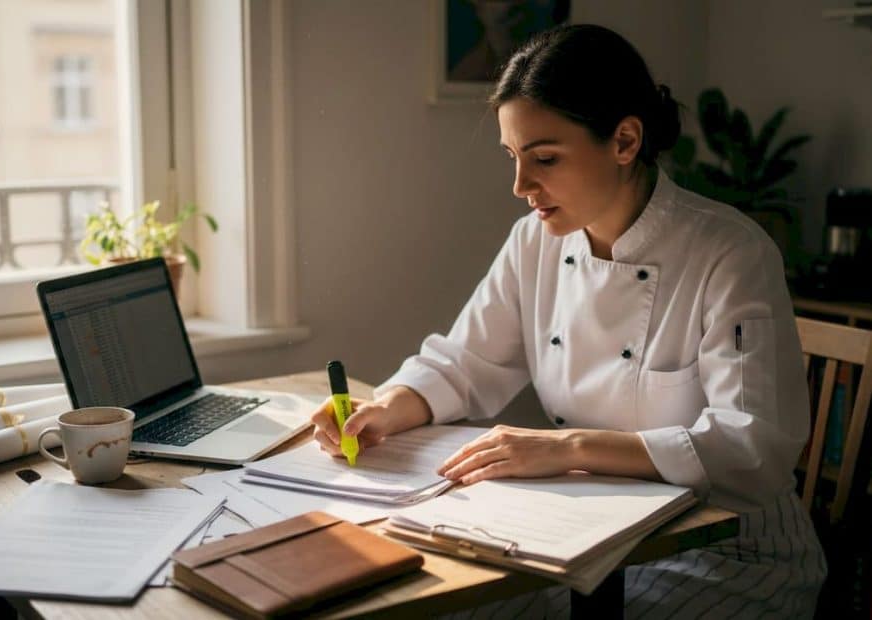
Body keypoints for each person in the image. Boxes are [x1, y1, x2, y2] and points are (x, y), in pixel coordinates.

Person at [311, 23, 826, 618]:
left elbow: (751, 446)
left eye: (545, 159)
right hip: (587, 537)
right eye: (512, 158)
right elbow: (465, 360)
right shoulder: (536, 241)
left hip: (726, 553)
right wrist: (386, 407)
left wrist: (568, 448)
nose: (520, 186)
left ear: (625, 140)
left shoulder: (730, 253)